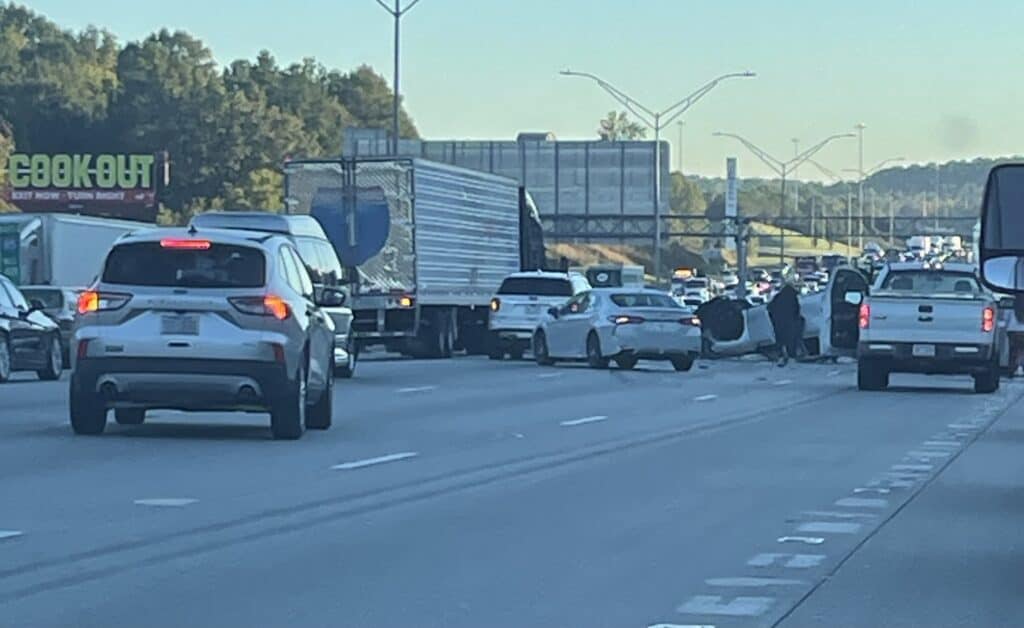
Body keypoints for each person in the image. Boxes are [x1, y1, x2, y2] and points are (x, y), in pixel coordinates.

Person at [767, 283, 802, 366]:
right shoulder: (793, 298)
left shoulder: (778, 297)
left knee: (780, 340)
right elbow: (797, 310)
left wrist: (774, 319)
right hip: (790, 322)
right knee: (791, 340)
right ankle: (791, 357)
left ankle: (781, 356)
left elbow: (769, 308)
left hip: (778, 322)